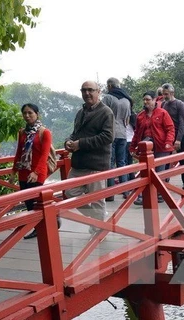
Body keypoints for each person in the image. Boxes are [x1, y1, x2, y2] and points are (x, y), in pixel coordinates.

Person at [64, 81, 114, 235]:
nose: (87, 93)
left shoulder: (106, 112)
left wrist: (81, 144)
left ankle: (98, 229)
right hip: (79, 163)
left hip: (96, 164)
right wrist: (69, 141)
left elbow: (108, 137)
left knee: (97, 200)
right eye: (84, 90)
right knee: (69, 193)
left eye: (90, 90)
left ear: (98, 92)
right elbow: (75, 133)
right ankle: (98, 220)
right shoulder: (81, 112)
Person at [11, 103, 60, 240]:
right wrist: (13, 171)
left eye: (30, 113)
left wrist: (36, 172)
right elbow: (18, 153)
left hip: (38, 171)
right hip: (24, 170)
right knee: (27, 201)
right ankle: (50, 219)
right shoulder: (22, 132)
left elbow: (44, 155)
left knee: (35, 201)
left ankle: (39, 228)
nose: (27, 116)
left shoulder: (44, 132)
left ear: (37, 114)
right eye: (25, 113)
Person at [129, 91, 175, 205]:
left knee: (159, 173)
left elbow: (170, 128)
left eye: (148, 99)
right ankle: (143, 196)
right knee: (145, 172)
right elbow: (137, 133)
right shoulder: (140, 116)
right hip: (146, 147)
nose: (146, 102)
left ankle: (159, 195)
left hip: (161, 146)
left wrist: (168, 142)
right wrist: (133, 147)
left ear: (154, 100)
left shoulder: (162, 113)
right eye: (144, 99)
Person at [102, 77, 131, 201]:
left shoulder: (108, 98)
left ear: (109, 86)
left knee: (110, 163)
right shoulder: (126, 100)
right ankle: (125, 191)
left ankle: (111, 193)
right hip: (122, 133)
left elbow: (102, 115)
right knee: (122, 162)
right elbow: (127, 119)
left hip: (110, 133)